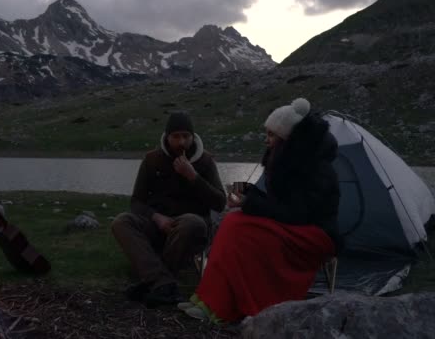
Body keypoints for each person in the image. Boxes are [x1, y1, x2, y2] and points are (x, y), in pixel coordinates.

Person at [180, 98, 340, 323]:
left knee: (237, 228)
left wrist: (250, 203)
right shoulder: (292, 162)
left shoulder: (315, 168)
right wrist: (251, 195)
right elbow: (282, 206)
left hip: (314, 235)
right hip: (293, 226)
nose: (267, 140)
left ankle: (221, 306)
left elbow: (298, 214)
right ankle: (209, 298)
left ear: (288, 138)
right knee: (234, 223)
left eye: (272, 135)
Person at [111, 112, 226, 308]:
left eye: (186, 136)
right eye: (176, 136)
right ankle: (163, 283)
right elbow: (137, 202)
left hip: (189, 230)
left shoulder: (205, 161)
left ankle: (153, 279)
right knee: (121, 222)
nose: (181, 141)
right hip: (158, 225)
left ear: (192, 136)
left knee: (193, 222)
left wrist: (193, 176)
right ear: (167, 136)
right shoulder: (152, 159)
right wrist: (156, 218)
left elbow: (220, 202)